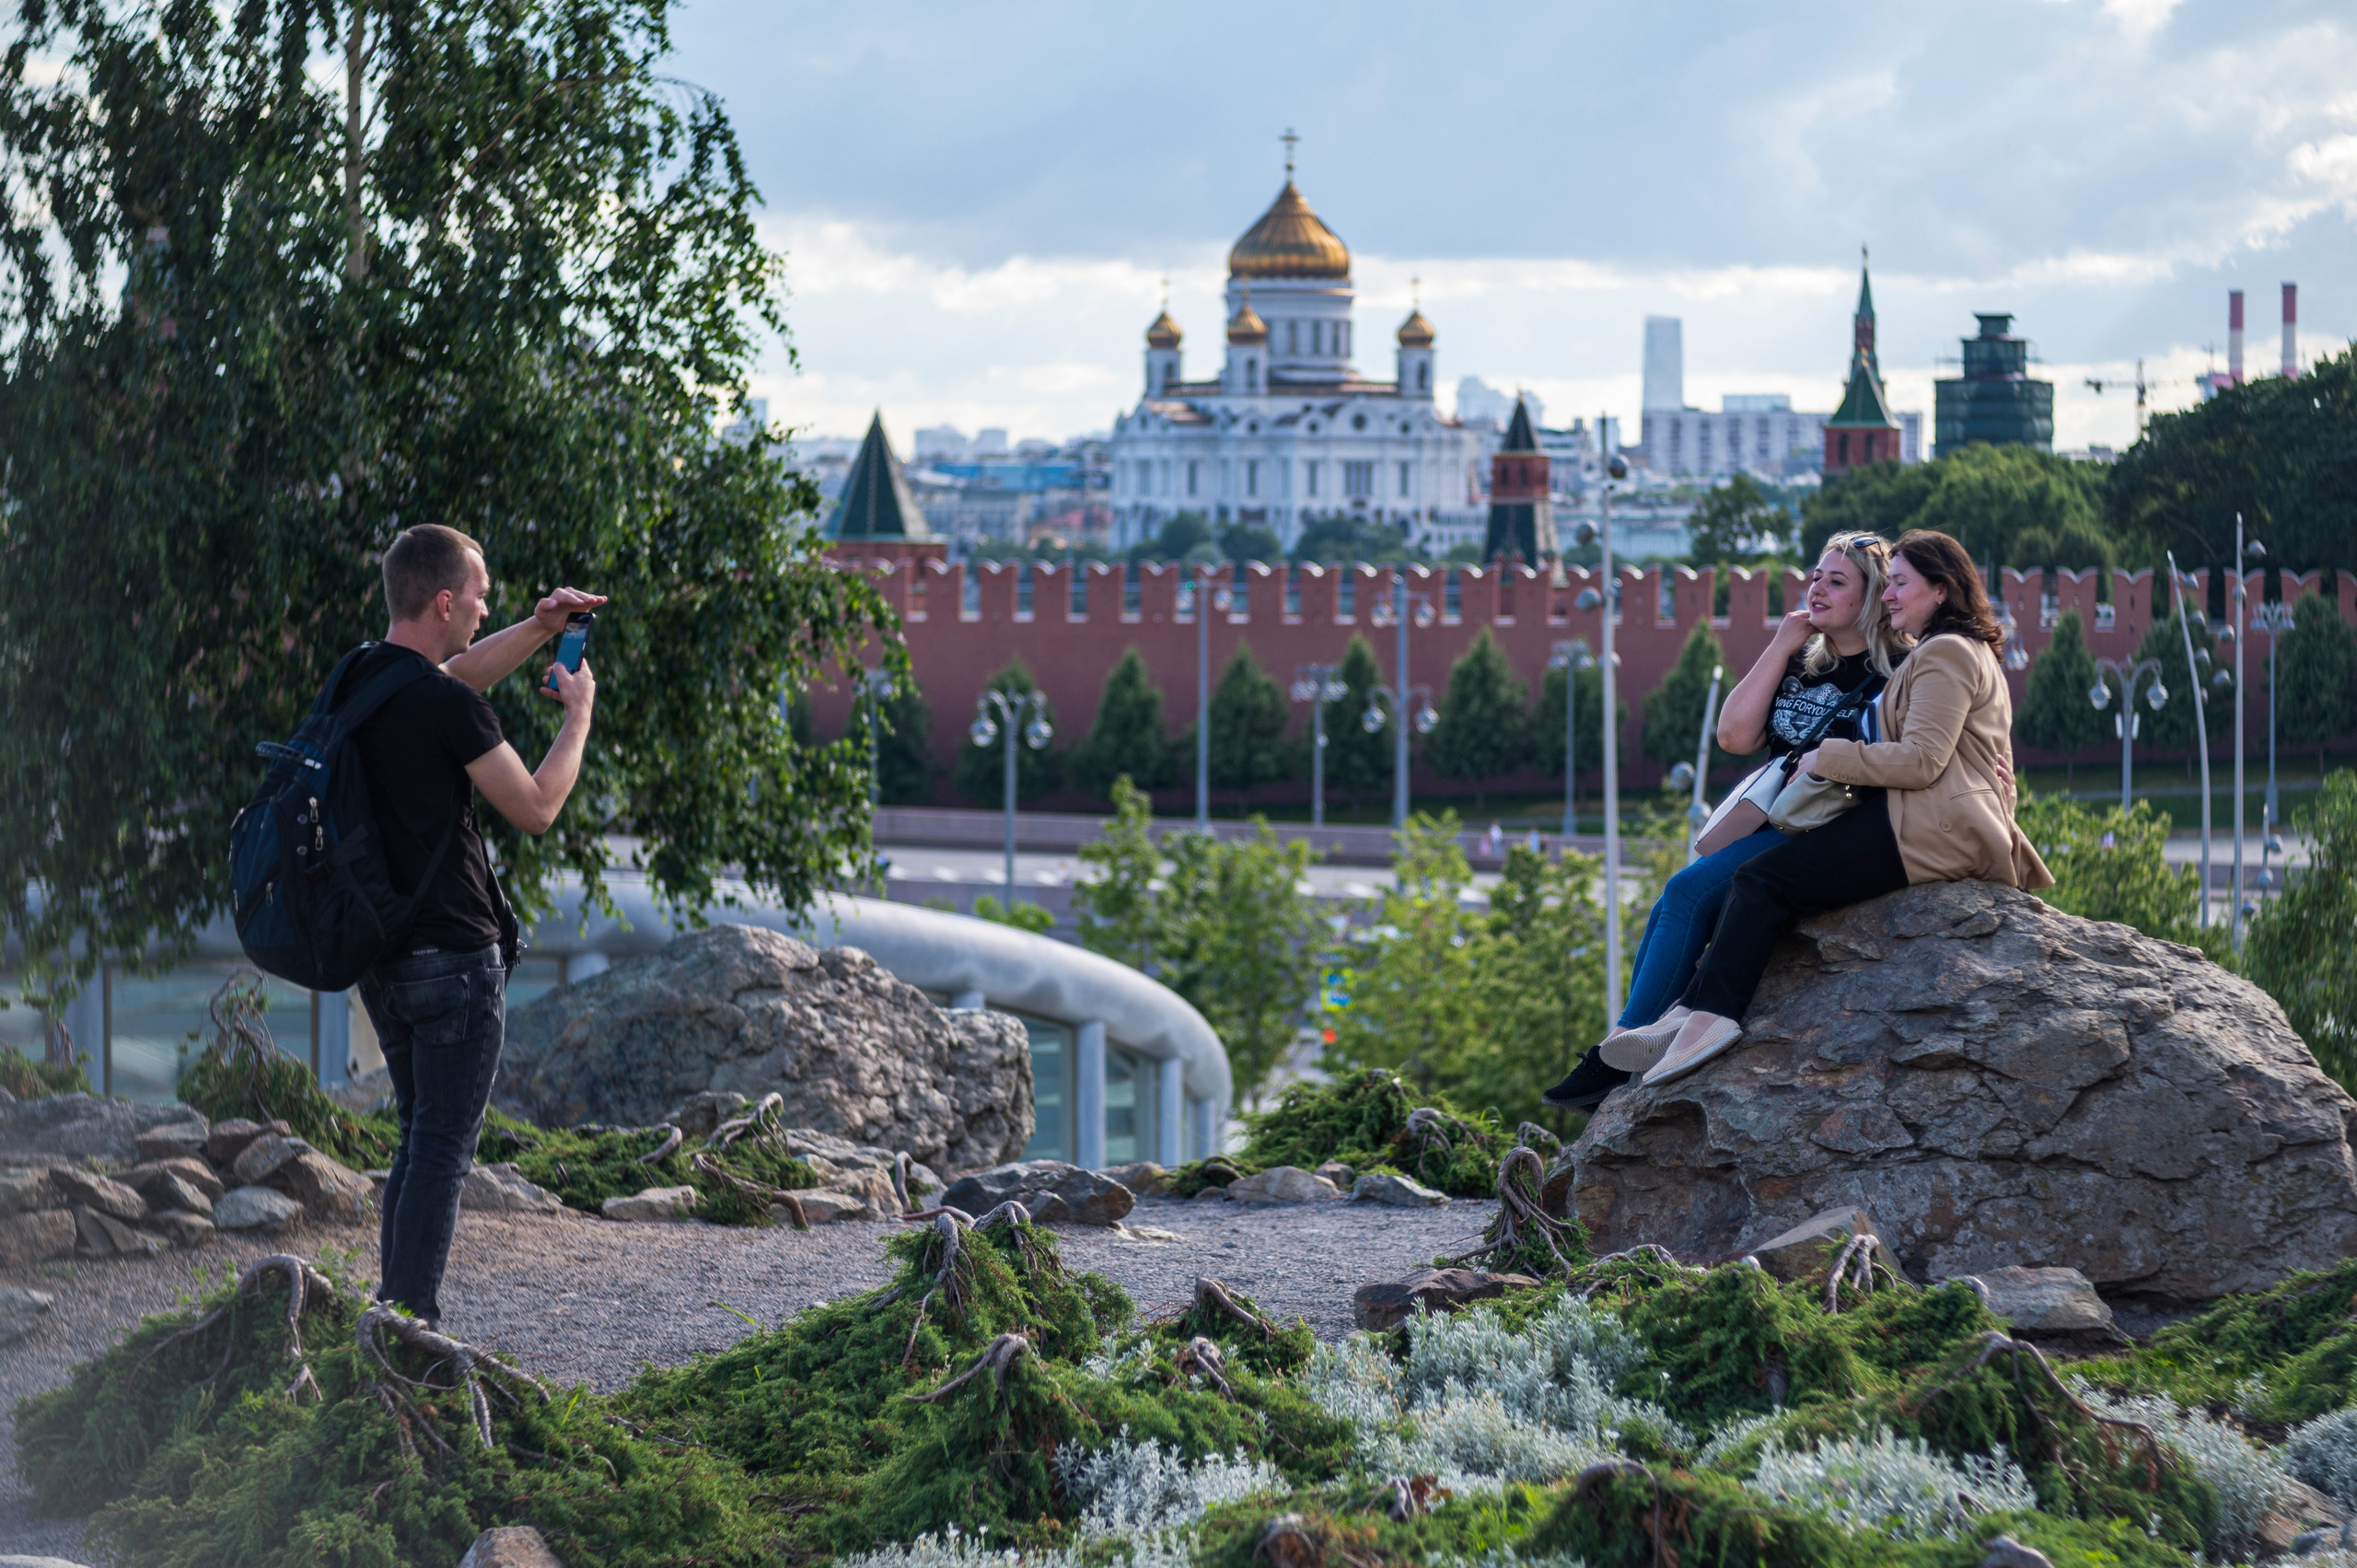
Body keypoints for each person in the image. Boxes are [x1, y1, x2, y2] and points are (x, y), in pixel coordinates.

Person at [1633, 528, 2051, 1088]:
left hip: (1919, 825)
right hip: (1914, 818)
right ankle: (1686, 1012)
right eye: (1889, 583)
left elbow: (1925, 759)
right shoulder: (1944, 651)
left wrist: (1825, 757)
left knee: (1752, 883)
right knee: (1736, 886)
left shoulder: (1939, 652)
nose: (1890, 595)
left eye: (1899, 584)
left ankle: (1704, 1018)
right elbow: (1974, 752)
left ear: (1941, 590)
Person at [1541, 531, 1905, 1110]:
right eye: (1816, 576)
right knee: (1670, 902)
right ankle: (1631, 1042)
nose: (1817, 589)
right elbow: (1735, 736)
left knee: (1687, 891)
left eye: (1837, 582)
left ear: (1871, 597)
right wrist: (1781, 644)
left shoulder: (1899, 671)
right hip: (1776, 816)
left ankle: (1612, 1057)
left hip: (1831, 825)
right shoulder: (1805, 662)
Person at [346, 524, 605, 1328]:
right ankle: (410, 1328)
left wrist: (539, 627)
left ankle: (392, 1316)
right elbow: (536, 808)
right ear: (444, 601)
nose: (485, 608)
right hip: (455, 959)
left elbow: (454, 675)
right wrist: (578, 719)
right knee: (441, 1150)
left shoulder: (361, 676)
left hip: (383, 958)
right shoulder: (446, 704)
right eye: (480, 597)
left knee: (417, 1138)